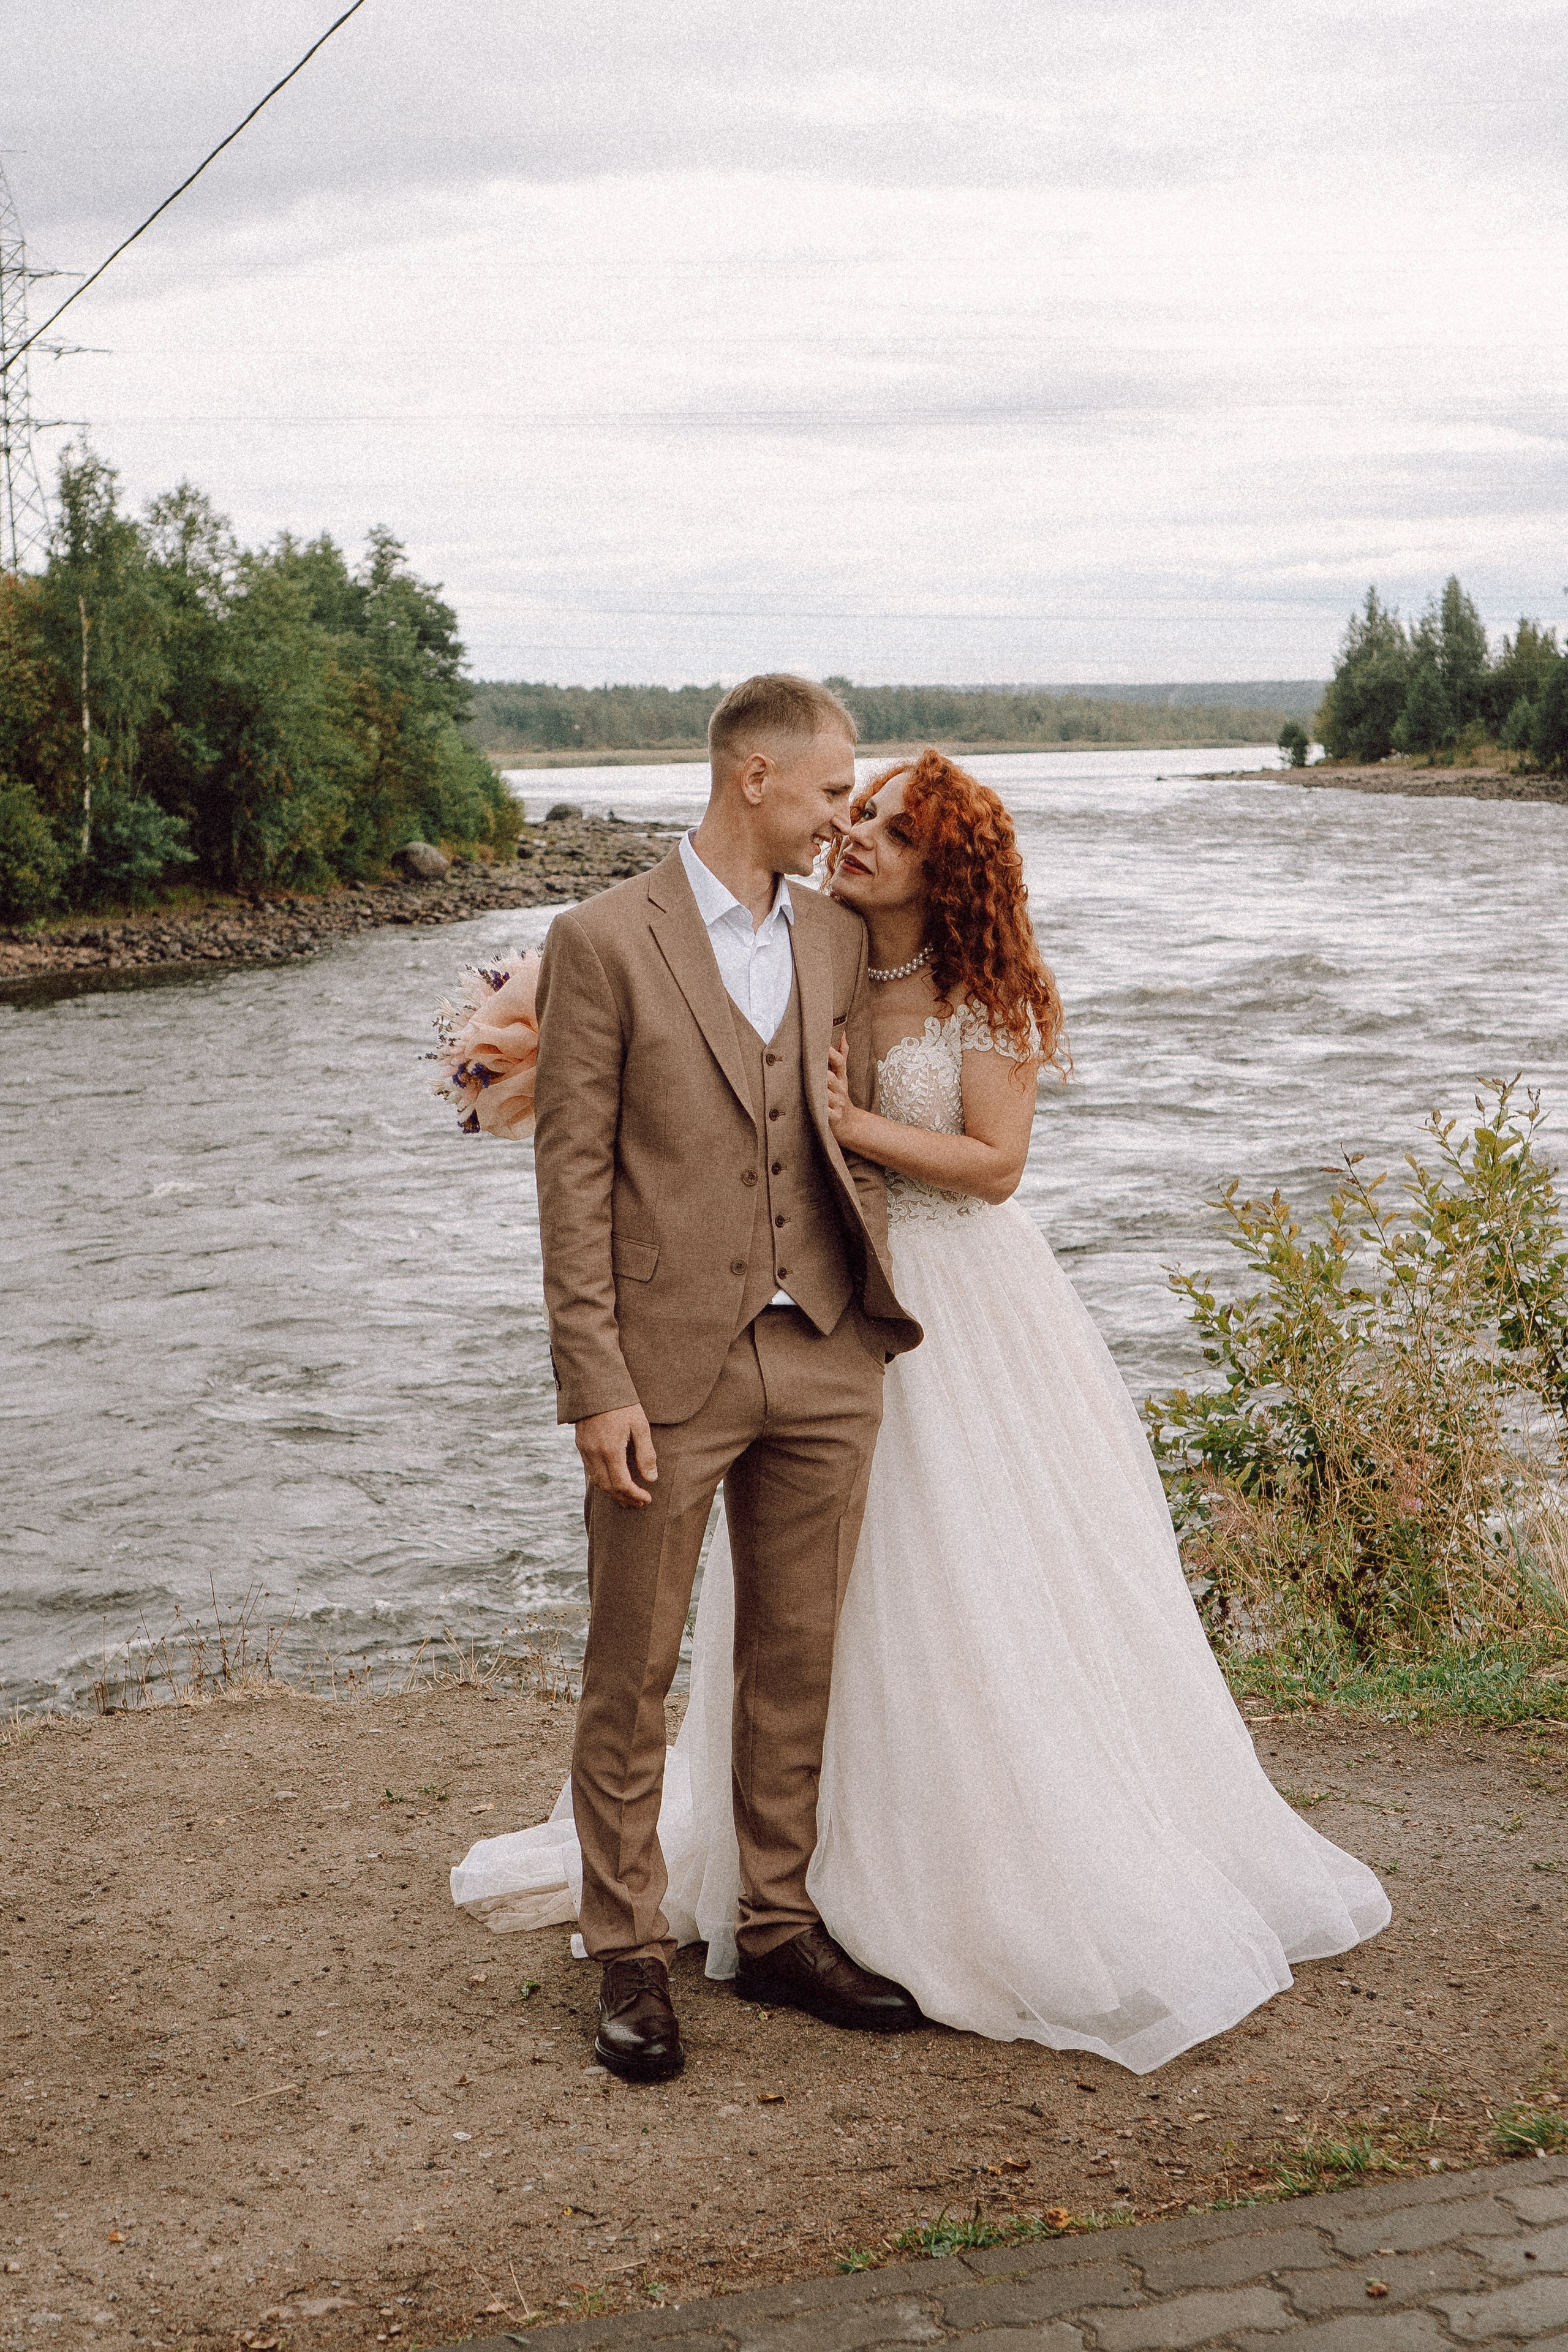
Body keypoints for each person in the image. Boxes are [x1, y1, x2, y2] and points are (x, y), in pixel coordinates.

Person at [453, 744, 1390, 2076]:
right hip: (792, 1311)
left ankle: (926, 1878)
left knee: (950, 1596)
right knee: (754, 1626)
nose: (852, 835)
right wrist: (523, 1038)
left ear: (941, 863)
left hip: (953, 1309)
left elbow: (994, 1166)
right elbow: (668, 1000)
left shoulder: (986, 986)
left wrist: (851, 1125)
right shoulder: (810, 937)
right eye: (851, 810)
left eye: (884, 825)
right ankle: (695, 1923)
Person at [507, 674, 925, 2084]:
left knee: (795, 1660)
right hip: (661, 1370)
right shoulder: (599, 940)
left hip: (822, 1352)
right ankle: (626, 1952)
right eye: (824, 792)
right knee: (631, 1667)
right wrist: (592, 1381)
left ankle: (778, 1923)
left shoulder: (833, 930)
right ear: (755, 779)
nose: (836, 819)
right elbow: (570, 1180)